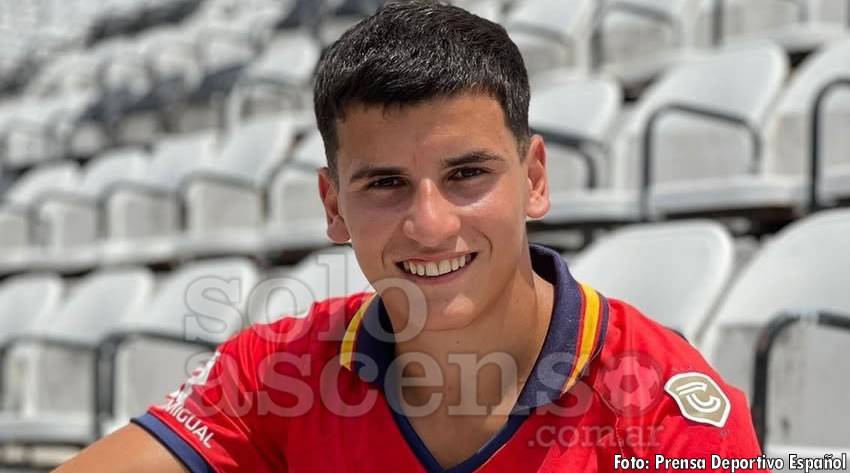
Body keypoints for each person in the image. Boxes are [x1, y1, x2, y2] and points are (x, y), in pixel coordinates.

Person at [54, 1, 767, 472]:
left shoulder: (669, 416)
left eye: (467, 174)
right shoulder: (276, 369)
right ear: (333, 206)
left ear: (535, 179)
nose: (430, 224)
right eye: (386, 184)